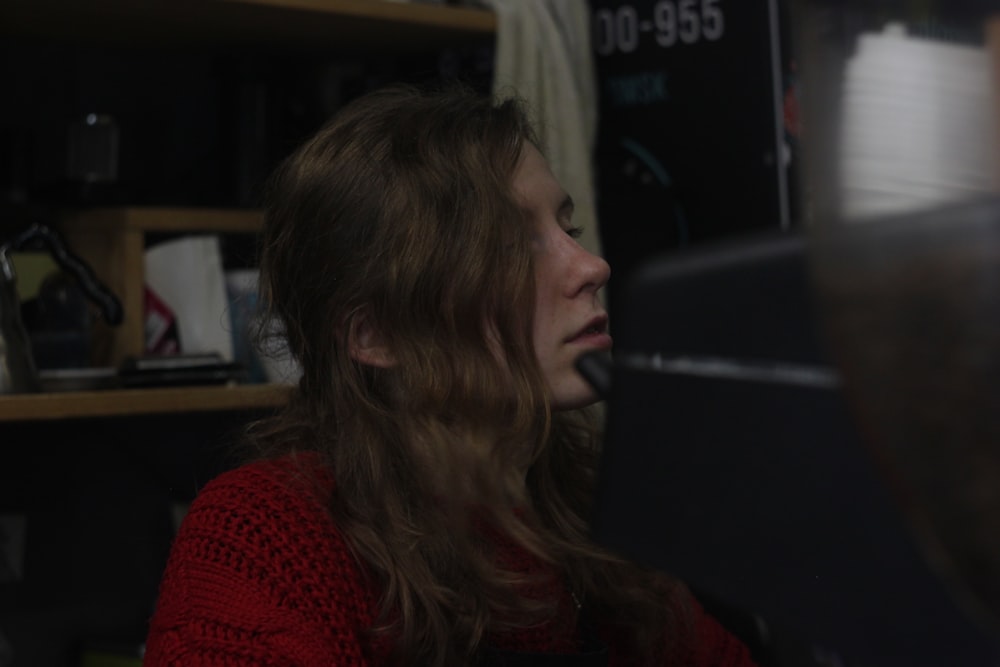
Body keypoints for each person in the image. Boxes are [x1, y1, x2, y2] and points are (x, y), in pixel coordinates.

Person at [143, 82, 759, 667]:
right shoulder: (268, 538)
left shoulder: (592, 517)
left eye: (567, 229)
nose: (591, 265)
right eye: (510, 247)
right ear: (375, 334)